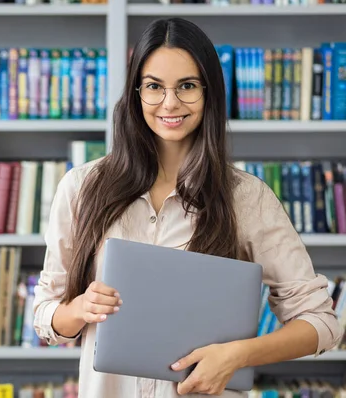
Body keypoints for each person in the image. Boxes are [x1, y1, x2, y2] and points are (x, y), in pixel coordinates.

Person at [32, 17, 342, 398]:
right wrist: (79, 309)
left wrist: (237, 355)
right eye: (153, 87)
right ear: (135, 93)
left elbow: (322, 323)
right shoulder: (81, 187)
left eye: (188, 86)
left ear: (209, 93)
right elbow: (45, 317)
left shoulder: (246, 197)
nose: (170, 103)